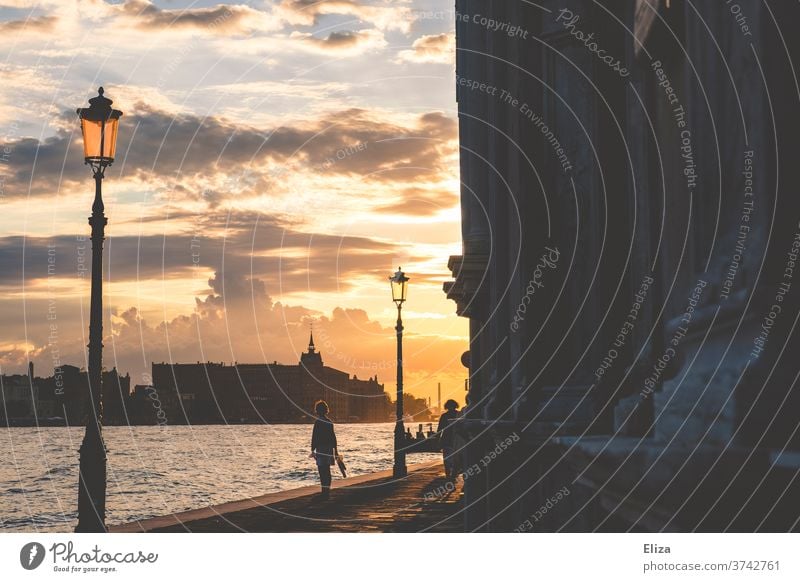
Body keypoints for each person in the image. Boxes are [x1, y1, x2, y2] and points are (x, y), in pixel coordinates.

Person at [310, 400, 338, 498]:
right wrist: (336, 451)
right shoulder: (329, 422)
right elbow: (333, 437)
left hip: (321, 448)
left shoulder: (318, 422)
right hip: (329, 448)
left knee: (322, 470)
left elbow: (315, 437)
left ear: (317, 411)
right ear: (326, 410)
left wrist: (312, 449)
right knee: (327, 470)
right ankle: (327, 491)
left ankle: (324, 491)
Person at [437, 399, 460, 479]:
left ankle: (448, 474)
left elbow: (440, 429)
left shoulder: (444, 416)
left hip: (446, 438)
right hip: (456, 437)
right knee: (456, 458)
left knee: (446, 457)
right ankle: (453, 474)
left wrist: (437, 439)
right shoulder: (458, 414)